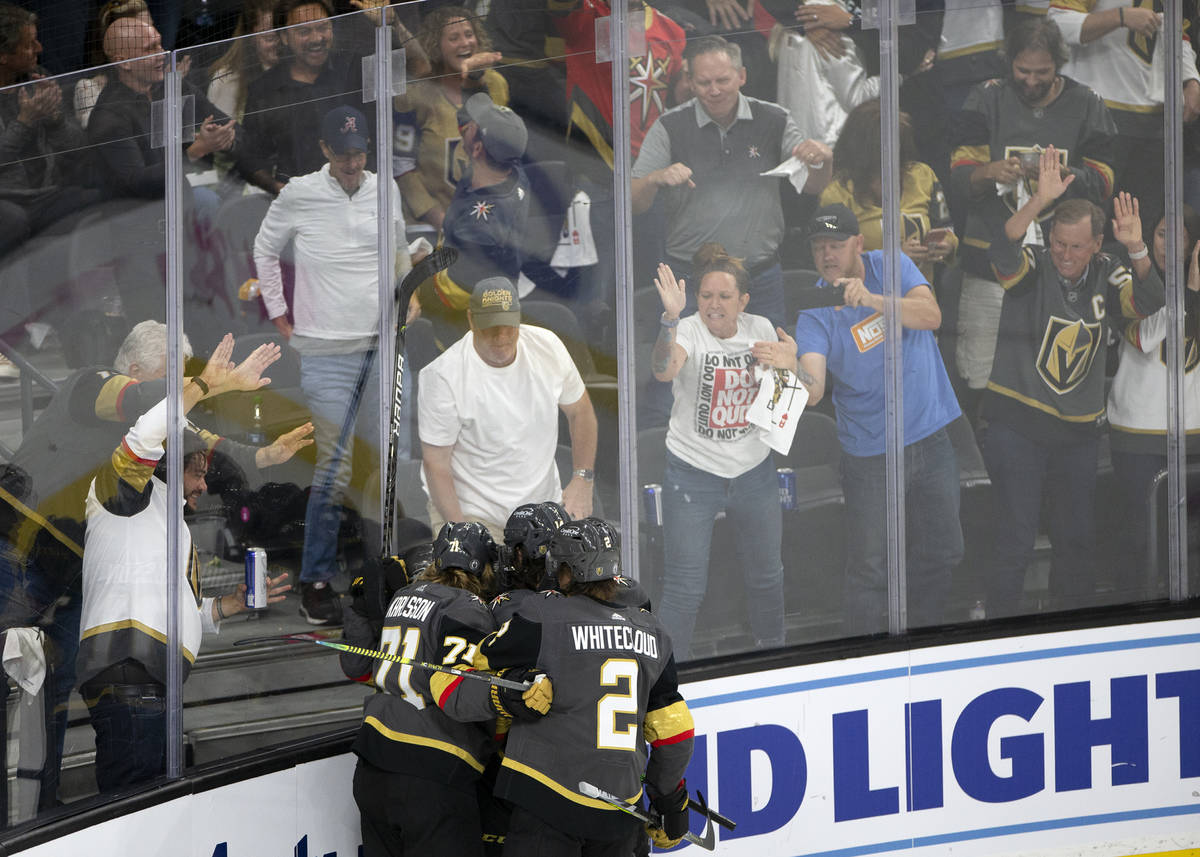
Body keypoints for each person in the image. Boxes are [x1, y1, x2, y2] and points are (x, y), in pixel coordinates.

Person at [0, 321, 308, 808]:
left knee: (52, 693)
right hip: (17, 546)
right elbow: (155, 409)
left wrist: (264, 456)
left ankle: (42, 804)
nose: (182, 390)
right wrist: (208, 384)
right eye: (173, 376)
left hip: (71, 571)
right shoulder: (93, 382)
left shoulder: (160, 469)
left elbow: (205, 448)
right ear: (137, 369)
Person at [76, 334, 291, 793]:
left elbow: (165, 608)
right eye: (196, 472)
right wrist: (204, 386)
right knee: (132, 814)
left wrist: (223, 608)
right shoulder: (123, 492)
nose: (202, 486)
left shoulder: (162, 514)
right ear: (168, 464)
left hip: (146, 684)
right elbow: (148, 433)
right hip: (131, 684)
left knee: (144, 809)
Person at [981, 148, 1164, 616]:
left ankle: (1073, 632)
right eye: (1058, 243)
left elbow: (1148, 302)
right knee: (1014, 538)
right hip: (1017, 424)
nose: (1064, 254)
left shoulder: (1109, 270)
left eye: (1076, 246)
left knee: (1077, 540)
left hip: (1077, 431)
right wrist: (1036, 203)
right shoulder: (1035, 264)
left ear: (1098, 243)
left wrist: (1139, 248)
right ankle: (995, 634)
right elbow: (1002, 251)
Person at [253, 104, 412, 626]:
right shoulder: (299, 192)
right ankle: (315, 580)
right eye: (343, 153)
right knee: (335, 465)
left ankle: (385, 569)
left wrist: (407, 297)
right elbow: (264, 247)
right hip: (323, 352)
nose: (352, 161)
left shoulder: (383, 188)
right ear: (325, 151)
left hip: (379, 347)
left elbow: (398, 254)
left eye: (360, 151)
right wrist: (278, 311)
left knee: (387, 460)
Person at [464, 519, 695, 855]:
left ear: (567, 571)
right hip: (620, 812)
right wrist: (669, 801)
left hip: (548, 803)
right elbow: (676, 734)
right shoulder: (653, 633)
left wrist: (520, 678)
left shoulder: (545, 615)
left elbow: (482, 658)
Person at [792, 204, 964, 635]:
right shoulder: (815, 308)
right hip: (870, 451)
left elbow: (932, 316)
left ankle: (925, 640)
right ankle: (865, 657)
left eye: (835, 245)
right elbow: (812, 390)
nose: (827, 255)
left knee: (945, 550)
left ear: (858, 245)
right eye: (819, 247)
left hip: (930, 434)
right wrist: (787, 365)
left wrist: (871, 300)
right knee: (870, 568)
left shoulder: (891, 265)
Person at [950, 18, 1117, 412]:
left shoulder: (1087, 103)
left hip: (1063, 268)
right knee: (979, 372)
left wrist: (1066, 175)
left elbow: (1106, 181)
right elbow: (957, 177)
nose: (1031, 80)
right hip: (988, 258)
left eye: (1042, 72)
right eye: (1023, 71)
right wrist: (987, 172)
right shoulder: (985, 97)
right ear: (1009, 62)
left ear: (1058, 63)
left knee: (1051, 378)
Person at [631, 34, 832, 329]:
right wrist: (655, 178)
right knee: (686, 369)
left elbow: (813, 185)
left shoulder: (774, 119)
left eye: (722, 80)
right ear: (690, 81)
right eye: (703, 82)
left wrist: (824, 159)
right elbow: (633, 203)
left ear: (742, 76)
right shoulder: (669, 126)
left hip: (758, 276)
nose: (713, 90)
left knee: (767, 367)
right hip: (690, 277)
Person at [649, 243, 790, 659]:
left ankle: (775, 657)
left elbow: (786, 396)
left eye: (724, 296)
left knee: (768, 576)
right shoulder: (687, 328)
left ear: (743, 301)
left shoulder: (761, 327)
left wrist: (790, 361)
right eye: (706, 296)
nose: (713, 305)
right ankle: (668, 676)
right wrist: (670, 318)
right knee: (685, 585)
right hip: (692, 472)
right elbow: (662, 370)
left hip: (754, 470)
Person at [350, 521, 501, 857]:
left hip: (372, 769)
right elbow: (457, 698)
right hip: (430, 775)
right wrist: (507, 699)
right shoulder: (467, 607)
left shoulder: (402, 597)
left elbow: (356, 668)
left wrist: (357, 609)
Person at [419, 276, 597, 538]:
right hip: (472, 512)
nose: (501, 337)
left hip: (541, 511)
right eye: (490, 328)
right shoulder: (442, 375)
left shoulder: (547, 346)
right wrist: (462, 532)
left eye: (508, 327)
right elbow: (436, 463)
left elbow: (580, 411)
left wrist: (583, 478)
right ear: (471, 320)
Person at [1107, 207, 1200, 600]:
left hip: (1194, 434)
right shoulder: (1122, 277)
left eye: (1177, 235)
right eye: (1160, 234)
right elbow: (1145, 333)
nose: (1169, 245)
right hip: (1137, 436)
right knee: (1138, 543)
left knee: (1192, 549)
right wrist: (1191, 293)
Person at [1048, 0, 1200, 222]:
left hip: (1156, 121)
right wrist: (1120, 17)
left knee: (1145, 223)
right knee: (1088, 220)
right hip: (1098, 114)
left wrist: (1191, 79)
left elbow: (1177, 31)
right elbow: (1056, 23)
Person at [416, 92, 530, 347]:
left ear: (477, 148)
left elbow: (455, 293)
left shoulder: (480, 229)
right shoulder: (504, 169)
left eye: (472, 128)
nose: (466, 127)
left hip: (460, 330)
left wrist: (418, 272)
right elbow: (466, 116)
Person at [395, 7, 507, 232]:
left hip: (486, 222)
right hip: (429, 228)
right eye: (453, 38)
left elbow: (505, 152)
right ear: (437, 47)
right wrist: (442, 220)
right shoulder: (416, 94)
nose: (465, 43)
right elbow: (401, 166)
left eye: (468, 34)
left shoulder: (496, 84)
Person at [821, 100, 956, 285]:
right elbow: (830, 256)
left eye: (898, 142)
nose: (892, 151)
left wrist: (947, 245)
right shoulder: (835, 195)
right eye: (884, 145)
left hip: (919, 301)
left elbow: (946, 227)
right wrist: (891, 260)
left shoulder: (922, 175)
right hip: (862, 303)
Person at [238, 0, 353, 195]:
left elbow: (419, 70)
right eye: (304, 32)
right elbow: (251, 160)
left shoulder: (351, 70)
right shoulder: (264, 90)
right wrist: (278, 189)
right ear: (284, 37)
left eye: (323, 28)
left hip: (356, 196)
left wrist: (391, 24)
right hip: (297, 202)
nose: (317, 38)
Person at [206, 0, 280, 125]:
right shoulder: (226, 79)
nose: (279, 43)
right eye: (270, 38)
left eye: (283, 33)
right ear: (250, 35)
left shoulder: (303, 68)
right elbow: (223, 137)